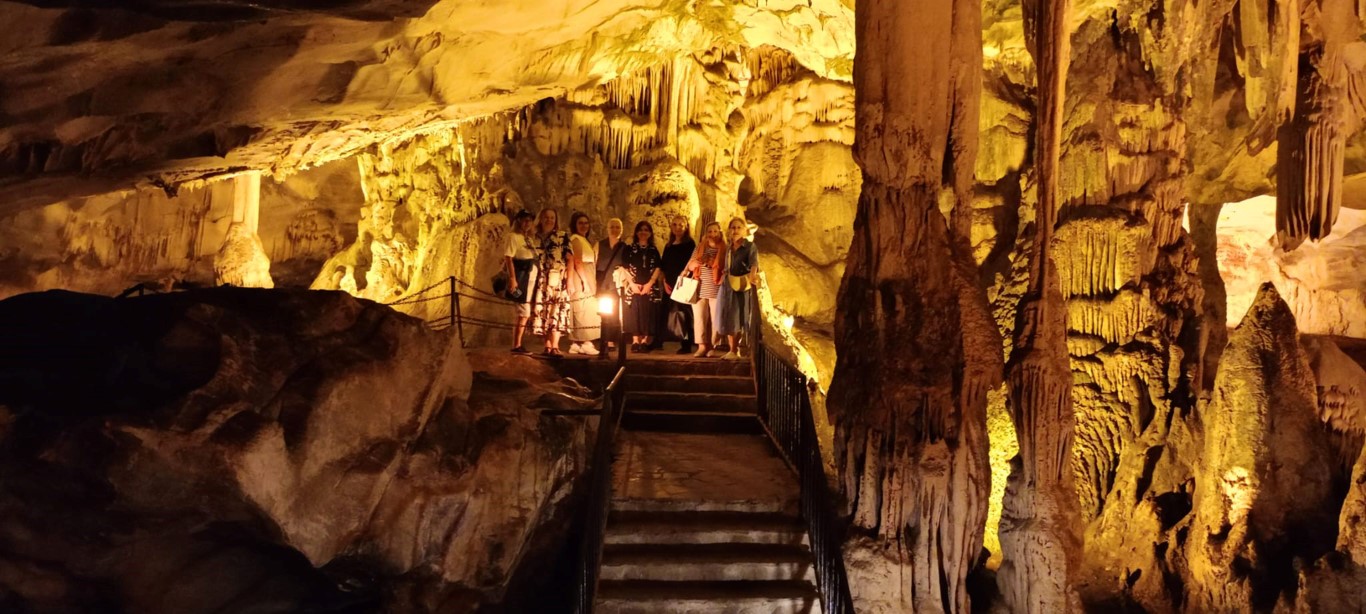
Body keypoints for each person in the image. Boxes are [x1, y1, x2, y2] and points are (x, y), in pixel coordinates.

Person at [530, 208, 572, 356]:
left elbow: (569, 258)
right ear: (541, 219)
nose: (549, 220)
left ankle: (555, 345)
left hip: (558, 279)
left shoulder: (562, 236)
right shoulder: (534, 237)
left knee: (557, 311)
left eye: (552, 218)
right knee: (543, 312)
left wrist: (570, 279)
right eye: (546, 217)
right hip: (540, 279)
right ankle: (547, 345)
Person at [716, 216, 758, 360]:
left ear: (745, 230)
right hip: (728, 285)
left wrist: (752, 277)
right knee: (727, 316)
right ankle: (731, 349)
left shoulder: (749, 246)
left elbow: (754, 264)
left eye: (739, 227)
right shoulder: (729, 247)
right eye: (733, 227)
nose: (735, 230)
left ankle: (736, 349)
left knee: (737, 316)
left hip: (741, 285)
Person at [685, 220, 724, 358]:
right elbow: (689, 265)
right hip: (699, 286)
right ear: (706, 233)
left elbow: (726, 266)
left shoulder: (724, 248)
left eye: (715, 231)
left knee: (715, 319)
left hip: (716, 287)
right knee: (700, 318)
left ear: (719, 232)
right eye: (710, 231)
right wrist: (693, 264)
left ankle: (713, 346)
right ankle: (701, 346)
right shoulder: (700, 247)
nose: (712, 234)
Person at [622, 220, 663, 352]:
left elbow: (658, 266)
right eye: (641, 230)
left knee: (647, 312)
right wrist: (632, 284)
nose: (643, 232)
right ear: (636, 232)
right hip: (634, 285)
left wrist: (650, 284)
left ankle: (645, 340)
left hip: (648, 286)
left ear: (650, 233)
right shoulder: (630, 249)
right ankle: (635, 340)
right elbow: (625, 267)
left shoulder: (653, 250)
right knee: (635, 312)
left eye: (646, 230)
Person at [658, 214, 696, 354]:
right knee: (666, 311)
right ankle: (659, 341)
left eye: (681, 225)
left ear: (686, 227)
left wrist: (683, 280)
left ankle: (687, 343)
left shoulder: (690, 244)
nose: (678, 227)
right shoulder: (669, 246)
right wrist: (665, 281)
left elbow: (692, 264)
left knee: (684, 313)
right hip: (670, 283)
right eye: (675, 224)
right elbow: (664, 265)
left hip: (683, 283)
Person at [566, 212, 601, 355]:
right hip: (581, 275)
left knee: (584, 308)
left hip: (587, 273)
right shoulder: (576, 239)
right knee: (583, 308)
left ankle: (576, 343)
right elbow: (577, 261)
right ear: (575, 225)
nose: (584, 226)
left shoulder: (583, 239)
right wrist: (585, 281)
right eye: (580, 223)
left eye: (586, 223)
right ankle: (586, 342)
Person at [504, 210, 538, 354]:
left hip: (530, 278)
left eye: (529, 220)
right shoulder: (513, 237)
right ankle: (516, 345)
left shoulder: (528, 239)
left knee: (524, 310)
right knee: (522, 310)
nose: (527, 223)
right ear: (518, 221)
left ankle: (517, 344)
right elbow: (508, 258)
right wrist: (513, 279)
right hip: (521, 278)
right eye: (524, 220)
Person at [594, 218, 627, 349]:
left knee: (615, 313)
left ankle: (612, 339)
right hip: (603, 283)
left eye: (617, 227)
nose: (614, 230)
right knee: (603, 313)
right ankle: (604, 339)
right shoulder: (600, 245)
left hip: (617, 284)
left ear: (621, 230)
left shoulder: (624, 247)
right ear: (607, 229)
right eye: (612, 227)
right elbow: (594, 263)